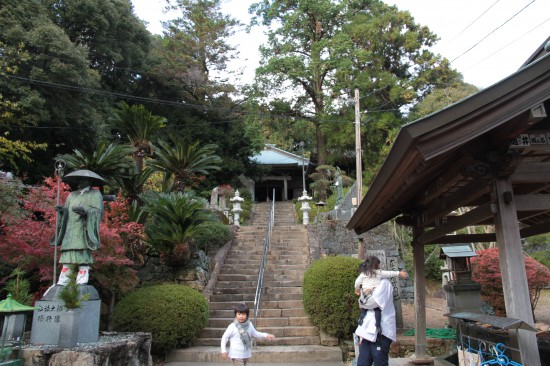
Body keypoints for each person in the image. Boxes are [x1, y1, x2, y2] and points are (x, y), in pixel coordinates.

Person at [51, 170, 105, 285]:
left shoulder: (95, 194)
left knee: (82, 255)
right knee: (67, 257)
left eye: (83, 179)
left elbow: (98, 211)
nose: (80, 182)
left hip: (83, 229)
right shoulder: (72, 195)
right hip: (70, 229)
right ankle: (63, 281)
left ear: (90, 181)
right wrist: (62, 211)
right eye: (79, 179)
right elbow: (66, 211)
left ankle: (81, 280)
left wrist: (86, 212)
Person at [354, 278, 397, 366]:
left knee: (379, 361)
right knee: (363, 362)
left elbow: (372, 303)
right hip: (366, 331)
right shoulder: (368, 284)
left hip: (381, 331)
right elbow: (362, 305)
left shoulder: (384, 284)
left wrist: (364, 296)